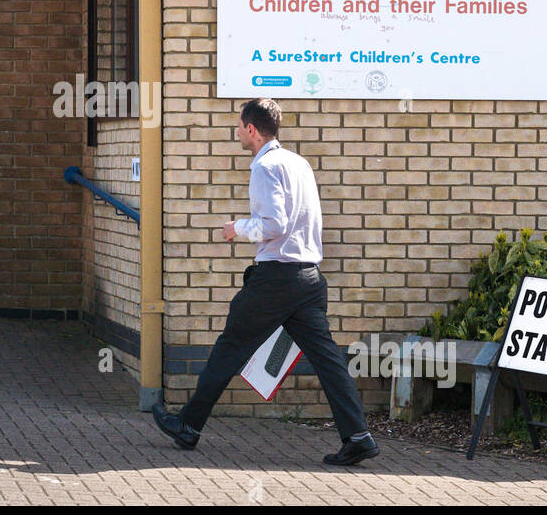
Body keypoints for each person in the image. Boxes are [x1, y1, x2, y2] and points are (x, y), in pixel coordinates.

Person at [151, 97, 379, 466]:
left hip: (276, 279)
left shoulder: (264, 166)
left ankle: (187, 426)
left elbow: (275, 225)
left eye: (240, 126)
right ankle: (358, 436)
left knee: (230, 347)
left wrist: (236, 228)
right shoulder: (298, 163)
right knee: (328, 359)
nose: (238, 132)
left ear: (252, 130)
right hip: (308, 277)